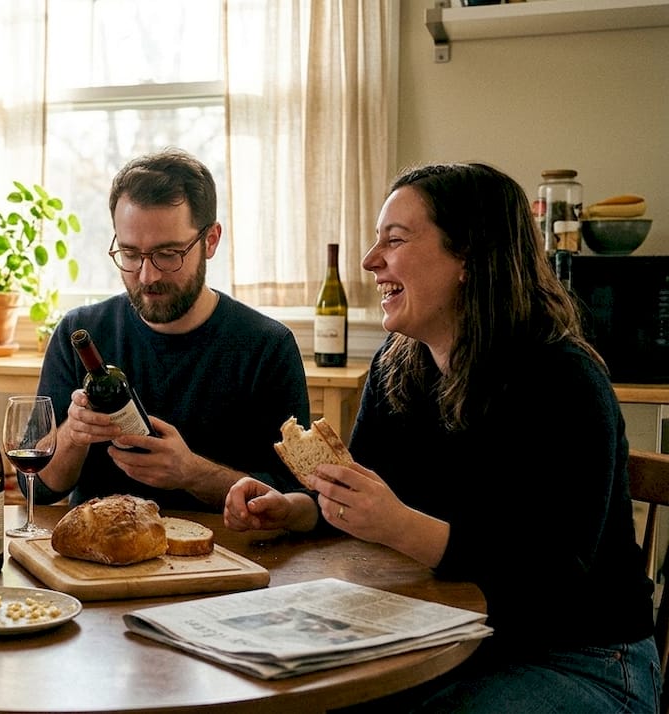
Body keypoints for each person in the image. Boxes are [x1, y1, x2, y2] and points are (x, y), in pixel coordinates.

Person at [224, 162, 660, 712]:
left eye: (396, 240)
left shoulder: (563, 379)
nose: (370, 261)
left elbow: (552, 577)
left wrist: (403, 527)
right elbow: (370, 490)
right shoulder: (399, 364)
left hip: (581, 658)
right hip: (442, 634)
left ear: (469, 259)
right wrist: (301, 509)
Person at [34, 148, 310, 512]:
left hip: (225, 559)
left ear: (210, 241)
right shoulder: (80, 333)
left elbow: (300, 502)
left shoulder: (267, 347)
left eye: (168, 254)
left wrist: (192, 473)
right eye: (130, 254)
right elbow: (39, 489)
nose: (147, 276)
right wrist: (74, 434)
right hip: (98, 559)